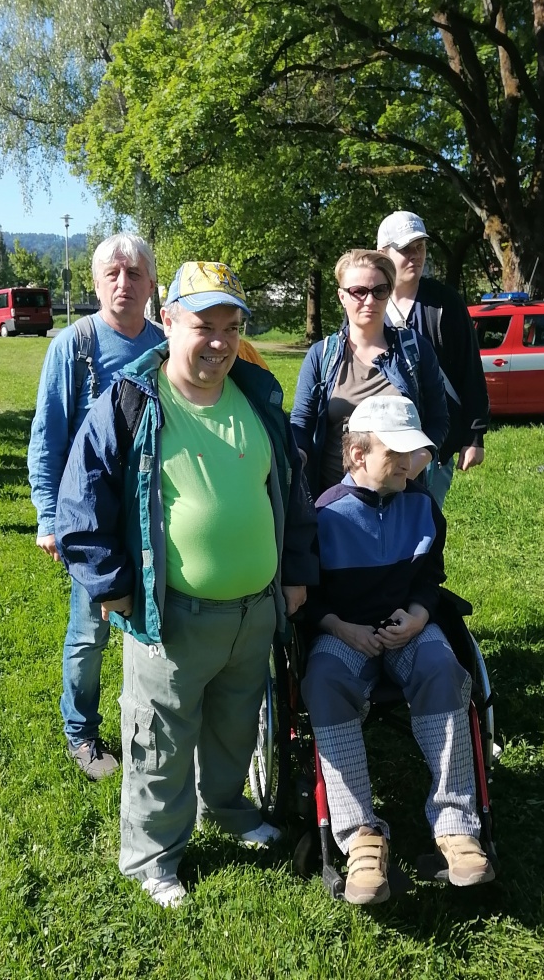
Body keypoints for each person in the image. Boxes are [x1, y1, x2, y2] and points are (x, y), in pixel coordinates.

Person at [56, 260, 318, 907]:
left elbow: (291, 492)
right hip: (172, 616)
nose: (220, 342)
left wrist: (295, 574)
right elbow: (81, 506)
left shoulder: (257, 398)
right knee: (160, 740)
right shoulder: (130, 401)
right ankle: (153, 856)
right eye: (205, 325)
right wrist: (112, 587)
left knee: (235, 726)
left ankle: (226, 809)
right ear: (168, 320)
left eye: (231, 327)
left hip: (253, 613)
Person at [301, 394, 495, 906]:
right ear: (357, 454)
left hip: (407, 628)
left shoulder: (423, 506)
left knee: (444, 668)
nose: (410, 463)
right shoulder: (323, 515)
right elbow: (308, 595)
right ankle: (361, 836)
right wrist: (341, 628)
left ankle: (457, 827)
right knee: (323, 682)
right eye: (396, 453)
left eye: (414, 452)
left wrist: (419, 616)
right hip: (344, 632)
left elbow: (430, 578)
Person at [28, 233, 165, 781]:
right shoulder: (75, 345)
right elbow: (47, 438)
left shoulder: (167, 344)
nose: (123, 283)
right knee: (89, 634)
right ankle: (81, 731)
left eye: (134, 274)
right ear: (96, 283)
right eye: (112, 274)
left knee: (156, 629)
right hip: (92, 522)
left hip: (156, 518)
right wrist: (48, 518)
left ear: (151, 284)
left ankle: (153, 723)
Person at [290, 248, 448, 497]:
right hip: (335, 502)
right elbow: (301, 423)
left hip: (402, 498)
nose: (370, 300)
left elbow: (439, 420)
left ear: (389, 292)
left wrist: (412, 467)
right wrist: (295, 459)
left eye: (379, 290)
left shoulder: (414, 351)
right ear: (342, 296)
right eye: (358, 291)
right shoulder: (321, 356)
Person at [377, 211, 490, 506]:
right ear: (383, 253)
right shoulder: (368, 300)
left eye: (420, 247)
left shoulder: (445, 303)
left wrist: (474, 437)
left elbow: (469, 370)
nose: (415, 255)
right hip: (381, 441)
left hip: (434, 444)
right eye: (406, 248)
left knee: (423, 522)